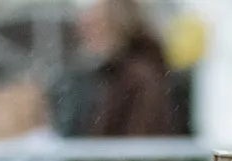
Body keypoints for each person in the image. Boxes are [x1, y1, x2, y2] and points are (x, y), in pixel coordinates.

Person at [52, 0, 182, 139]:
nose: (87, 34)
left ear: (118, 25)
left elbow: (140, 140)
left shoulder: (139, 77)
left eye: (96, 25)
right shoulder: (112, 75)